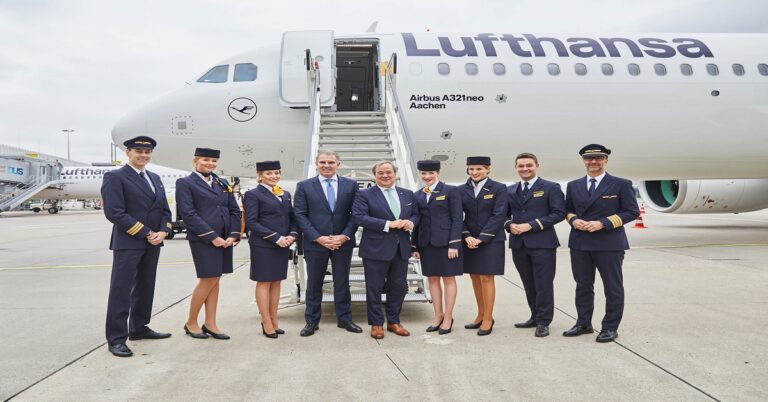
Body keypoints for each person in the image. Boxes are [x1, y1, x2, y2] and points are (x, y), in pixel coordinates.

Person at [101, 136, 173, 357]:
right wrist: (147, 232)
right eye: (138, 151)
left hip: (153, 242)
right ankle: (116, 338)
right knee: (121, 291)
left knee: (145, 287)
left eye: (147, 152)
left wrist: (164, 230)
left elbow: (164, 209)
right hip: (129, 242)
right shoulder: (115, 177)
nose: (143, 155)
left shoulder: (154, 177)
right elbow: (114, 212)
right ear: (127, 153)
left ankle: (139, 328)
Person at [563, 144, 639, 343]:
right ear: (583, 161)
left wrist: (602, 223)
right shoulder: (574, 185)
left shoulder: (620, 184)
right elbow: (567, 209)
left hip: (609, 243)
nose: (593, 162)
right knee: (583, 286)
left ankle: (610, 327)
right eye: (589, 159)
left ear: (605, 160)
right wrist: (573, 220)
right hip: (580, 243)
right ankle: (583, 323)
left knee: (612, 287)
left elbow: (631, 212)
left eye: (598, 158)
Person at [175, 147, 241, 340]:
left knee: (215, 279)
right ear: (195, 161)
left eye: (213, 161)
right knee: (207, 279)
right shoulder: (186, 183)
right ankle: (191, 322)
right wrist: (212, 236)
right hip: (204, 239)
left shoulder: (221, 182)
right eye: (206, 160)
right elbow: (188, 214)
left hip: (225, 238)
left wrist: (233, 234)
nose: (210, 164)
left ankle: (210, 322)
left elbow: (234, 210)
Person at [294, 150, 362, 337]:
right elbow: (300, 214)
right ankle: (312, 321)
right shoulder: (304, 186)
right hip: (316, 243)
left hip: (342, 242)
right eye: (322, 162)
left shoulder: (351, 185)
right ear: (316, 164)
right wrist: (318, 237)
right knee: (314, 283)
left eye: (331, 162)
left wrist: (344, 236)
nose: (326, 165)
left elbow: (356, 214)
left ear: (338, 164)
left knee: (342, 282)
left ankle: (345, 319)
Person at [352, 161, 419, 339]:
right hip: (375, 249)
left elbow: (416, 214)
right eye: (380, 173)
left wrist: (411, 222)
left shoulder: (407, 194)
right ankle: (376, 324)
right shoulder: (364, 194)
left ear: (395, 174)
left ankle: (394, 322)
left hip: (401, 248)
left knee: (398, 287)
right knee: (374, 288)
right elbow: (359, 218)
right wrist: (389, 224)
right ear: (375, 175)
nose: (385, 175)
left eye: (388, 172)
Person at [504, 153, 566, 338]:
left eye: (529, 165)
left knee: (543, 284)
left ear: (537, 165)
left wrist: (531, 225)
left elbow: (559, 213)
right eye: (521, 166)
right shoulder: (510, 190)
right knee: (529, 284)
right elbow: (504, 215)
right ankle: (534, 316)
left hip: (543, 243)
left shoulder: (550, 187)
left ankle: (544, 322)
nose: (525, 169)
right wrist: (509, 225)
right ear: (516, 168)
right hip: (519, 245)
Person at [243, 160, 298, 339]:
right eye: (269, 173)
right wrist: (277, 238)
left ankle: (274, 320)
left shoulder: (285, 193)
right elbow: (252, 222)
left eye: (276, 172)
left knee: (277, 282)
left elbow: (292, 217)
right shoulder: (253, 194)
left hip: (283, 244)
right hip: (264, 245)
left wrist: (292, 235)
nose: (274, 176)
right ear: (260, 176)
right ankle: (266, 321)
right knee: (264, 282)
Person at [411, 160, 463, 335]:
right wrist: (414, 246)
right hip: (426, 244)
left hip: (447, 243)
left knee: (448, 279)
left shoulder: (451, 191)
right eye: (423, 174)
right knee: (432, 279)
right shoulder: (417, 195)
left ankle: (448, 317)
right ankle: (438, 315)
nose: (427, 177)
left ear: (438, 173)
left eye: (431, 173)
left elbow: (457, 218)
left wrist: (454, 243)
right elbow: (416, 222)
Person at [460, 156, 507, 336]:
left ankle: (488, 318)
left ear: (488, 169)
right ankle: (480, 314)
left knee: (487, 277)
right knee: (474, 277)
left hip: (491, 240)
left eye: (479, 169)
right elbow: (458, 216)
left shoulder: (499, 188)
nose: (474, 172)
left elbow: (499, 215)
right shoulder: (461, 190)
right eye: (471, 169)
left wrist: (481, 238)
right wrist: (467, 236)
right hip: (470, 240)